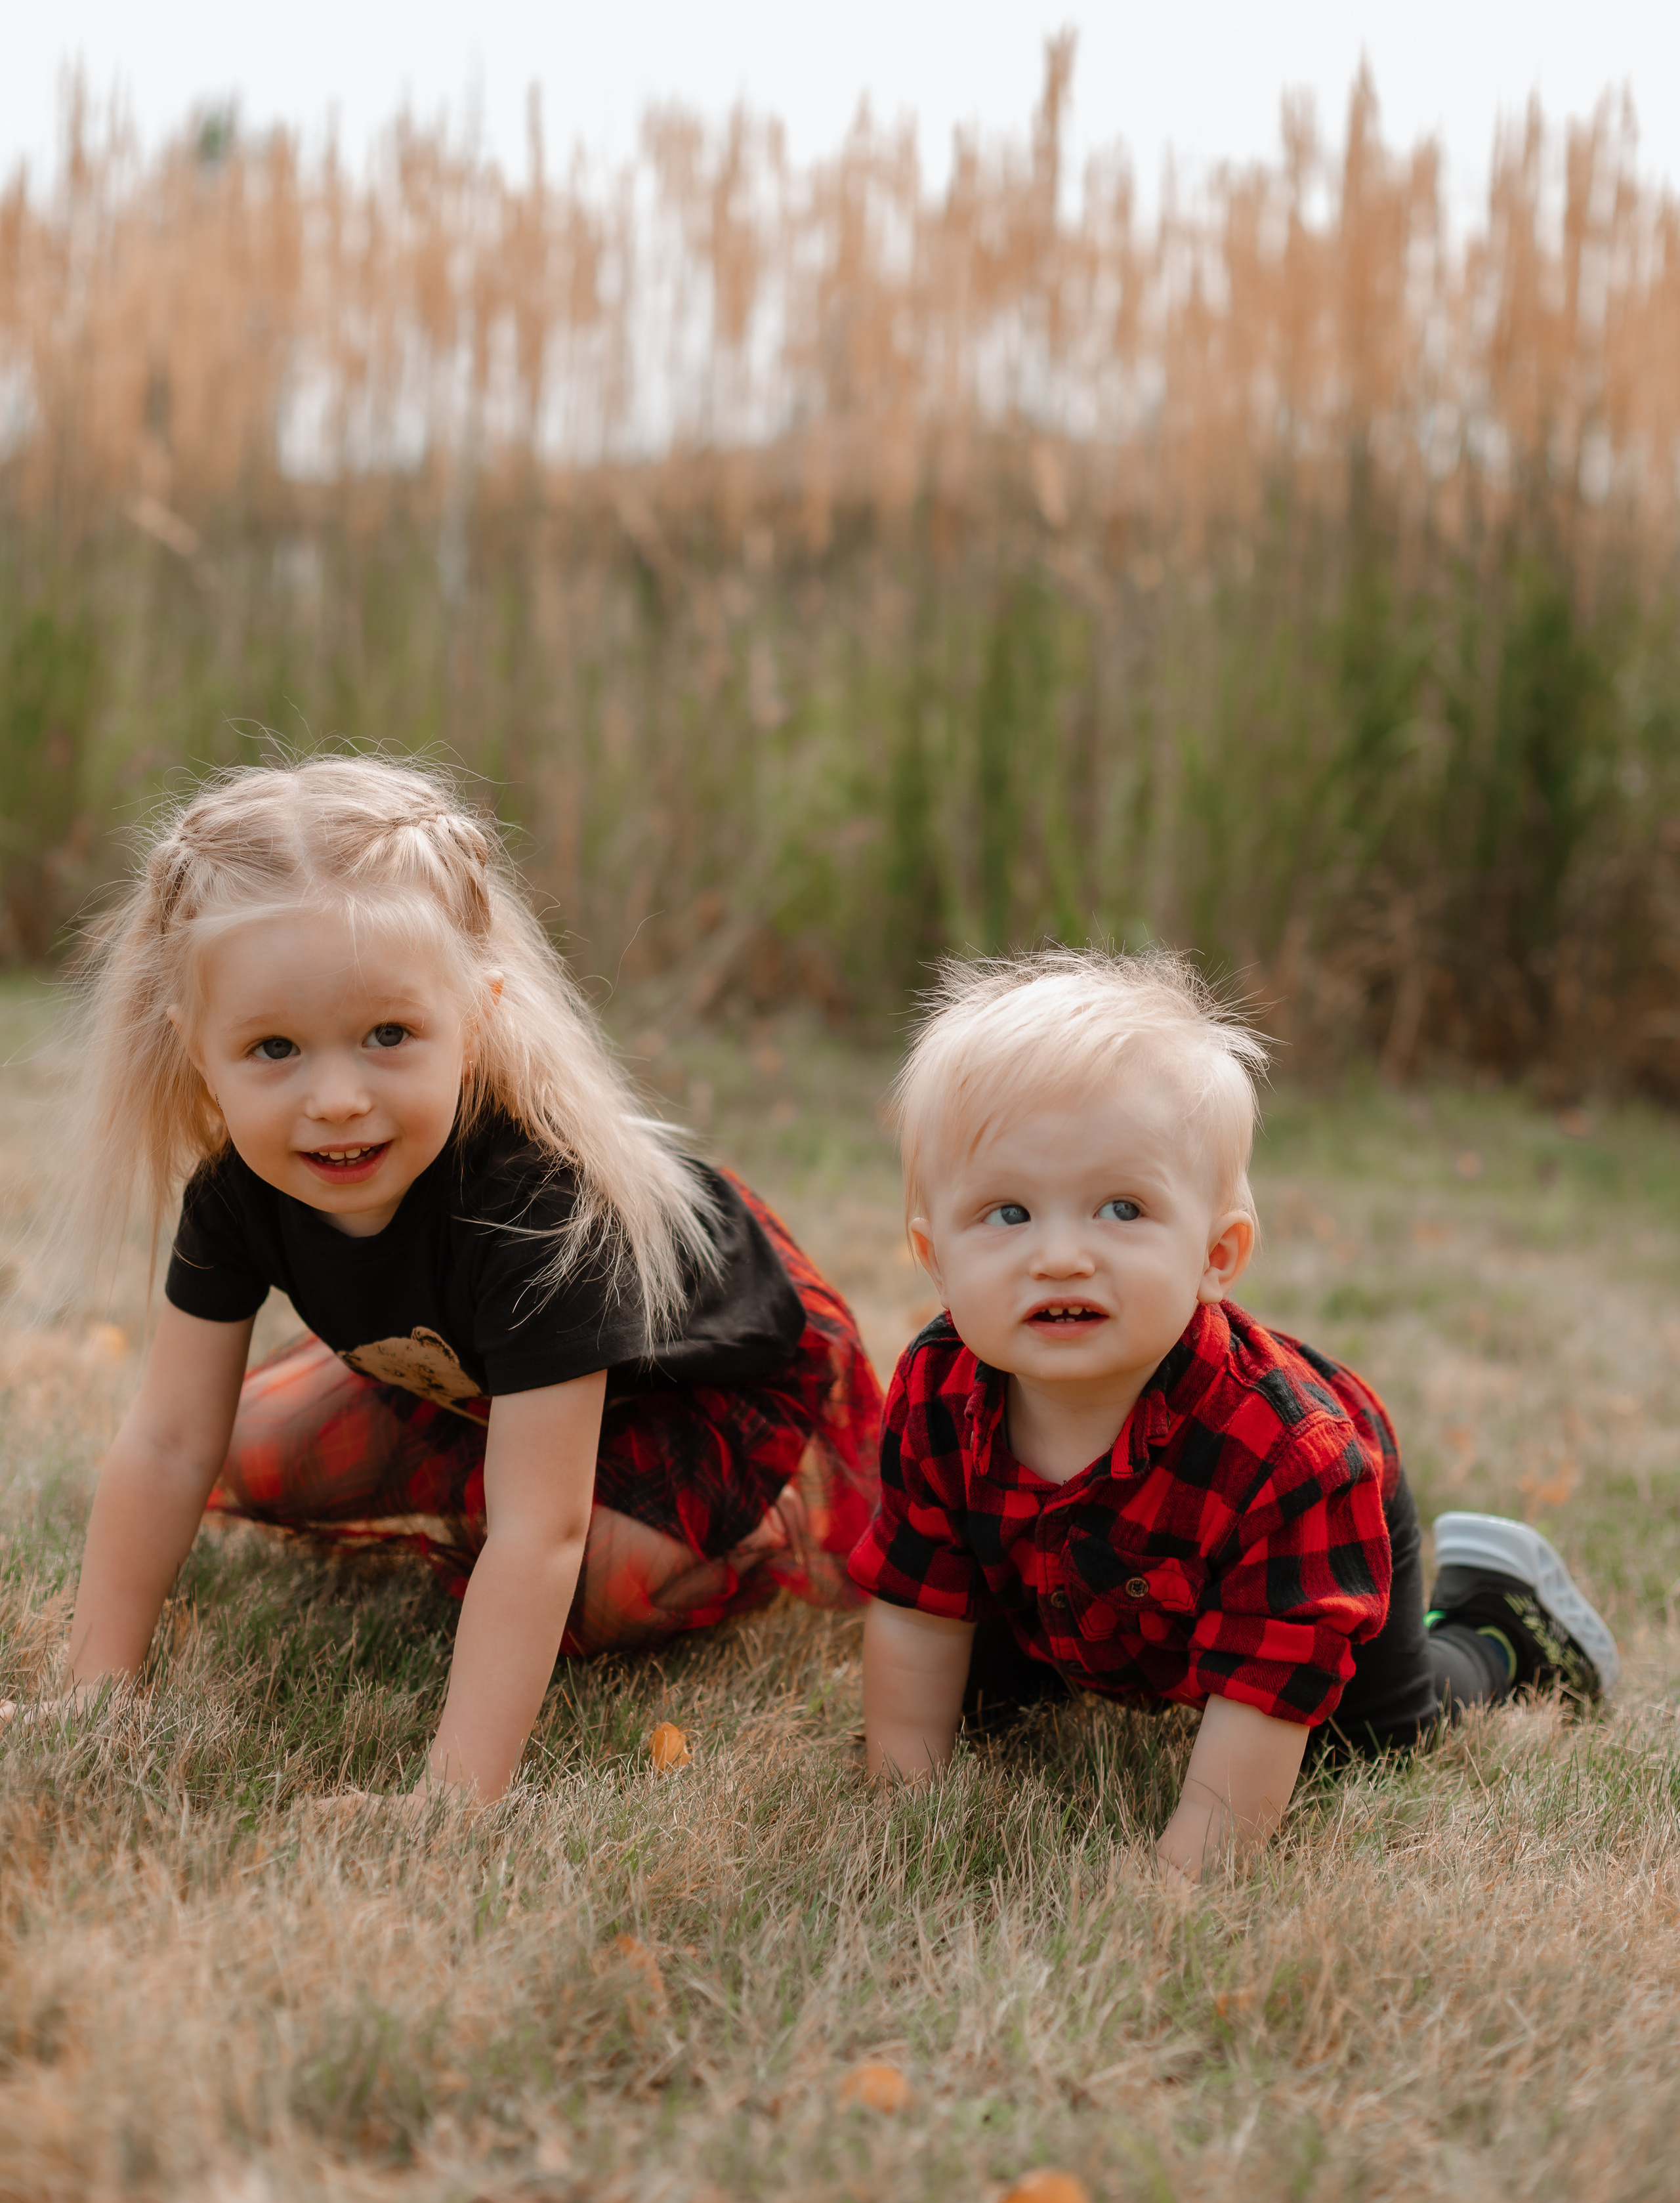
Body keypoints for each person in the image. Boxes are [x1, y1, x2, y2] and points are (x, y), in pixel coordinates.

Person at [18, 755, 881, 1804]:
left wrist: (451, 1803)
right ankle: (485, 1454)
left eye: (389, 1036)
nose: (337, 1098)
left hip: (697, 1389)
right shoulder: (237, 1193)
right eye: (274, 1048)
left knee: (598, 1582)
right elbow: (165, 1441)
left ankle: (758, 1526)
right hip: (475, 1375)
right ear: (194, 1046)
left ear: (476, 1015)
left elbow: (540, 1531)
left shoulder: (540, 1207)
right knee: (250, 1460)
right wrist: (97, 1691)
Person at [850, 948, 1618, 1881]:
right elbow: (919, 1608)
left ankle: (1499, 1629)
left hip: (1306, 1559)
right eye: (1007, 1214)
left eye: (1121, 1209)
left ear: (1218, 1254)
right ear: (935, 1260)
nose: (1058, 1256)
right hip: (1070, 1584)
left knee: (1367, 1738)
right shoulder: (937, 1390)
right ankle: (1073, 1657)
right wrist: (907, 1800)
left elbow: (1266, 1689)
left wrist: (1185, 1875)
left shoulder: (1288, 1455)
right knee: (970, 1696)